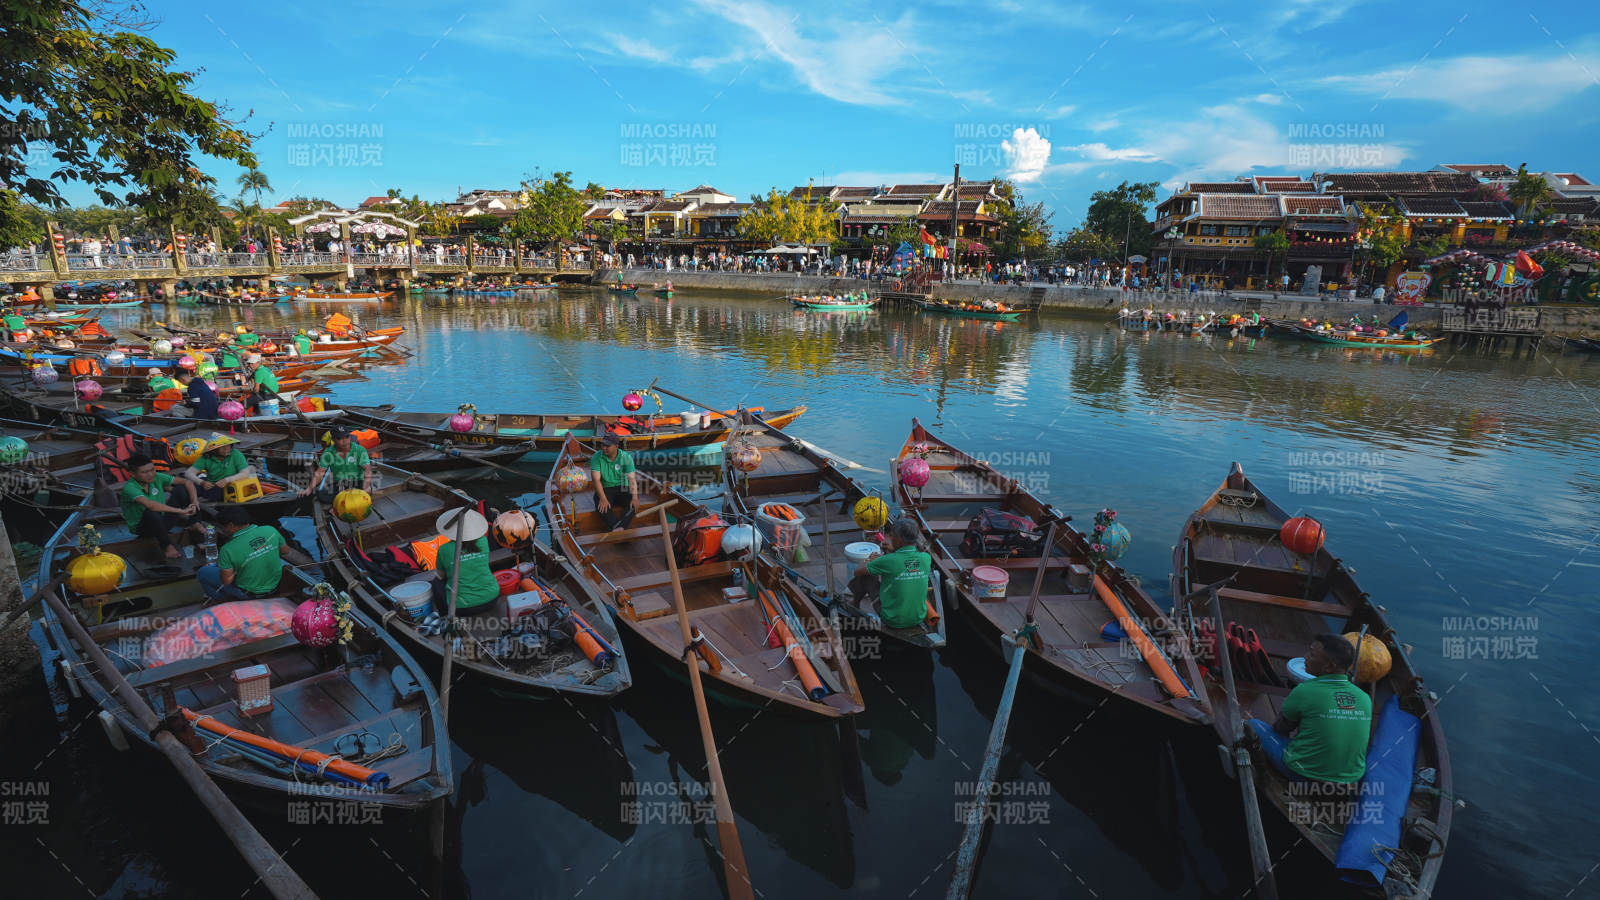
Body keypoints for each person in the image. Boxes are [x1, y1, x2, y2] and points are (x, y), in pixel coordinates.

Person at [1247, 634, 1372, 784]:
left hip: (1304, 774)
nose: (1305, 657)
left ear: (1330, 666)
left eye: (1312, 655)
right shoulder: (1365, 698)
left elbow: (1280, 729)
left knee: (1254, 725)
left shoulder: (1305, 690)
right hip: (1350, 780)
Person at [852, 518, 931, 629]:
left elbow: (857, 571)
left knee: (865, 575)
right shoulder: (926, 558)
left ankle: (854, 606)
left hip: (892, 620)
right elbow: (903, 562)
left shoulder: (888, 560)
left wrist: (870, 559)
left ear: (898, 539)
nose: (890, 538)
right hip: (918, 617)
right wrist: (892, 551)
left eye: (892, 536)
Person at [118, 453, 200, 559]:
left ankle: (195, 522)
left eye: (152, 470)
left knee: (181, 489)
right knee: (151, 512)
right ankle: (167, 547)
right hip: (145, 528)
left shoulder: (157, 477)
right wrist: (180, 511)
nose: (150, 474)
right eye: (144, 472)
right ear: (132, 474)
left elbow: (187, 482)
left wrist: (194, 502)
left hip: (163, 521)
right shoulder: (130, 488)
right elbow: (150, 505)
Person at [197, 506, 287, 603]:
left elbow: (226, 581)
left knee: (203, 572)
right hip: (275, 586)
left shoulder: (227, 549)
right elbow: (285, 551)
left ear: (231, 526)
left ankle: (223, 602)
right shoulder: (270, 529)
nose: (222, 530)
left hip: (250, 594)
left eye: (222, 527)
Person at [432, 507, 500, 614]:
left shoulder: (444, 549)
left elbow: (440, 575)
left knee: (436, 582)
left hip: (461, 607)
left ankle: (443, 615)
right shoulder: (483, 541)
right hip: (492, 598)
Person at [300, 427, 372, 499]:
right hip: (341, 482)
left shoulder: (360, 450)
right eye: (339, 438)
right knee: (322, 495)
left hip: (358, 481)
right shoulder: (328, 452)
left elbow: (367, 469)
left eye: (347, 437)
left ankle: (346, 498)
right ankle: (345, 498)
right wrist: (309, 489)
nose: (344, 441)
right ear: (333, 439)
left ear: (350, 437)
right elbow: (320, 472)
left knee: (366, 492)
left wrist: (366, 486)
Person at [185, 433, 254, 500]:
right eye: (222, 447)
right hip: (212, 485)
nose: (226, 449)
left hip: (232, 485)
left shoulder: (236, 454)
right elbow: (188, 473)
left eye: (228, 446)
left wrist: (227, 480)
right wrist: (201, 482)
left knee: (218, 492)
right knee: (186, 488)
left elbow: (245, 473)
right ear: (214, 449)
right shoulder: (206, 457)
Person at [589, 433, 636, 530]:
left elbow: (631, 479)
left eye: (607, 446)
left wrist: (635, 497)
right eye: (603, 445)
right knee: (600, 505)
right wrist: (603, 498)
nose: (604, 448)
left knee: (633, 504)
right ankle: (619, 527)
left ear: (616, 446)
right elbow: (596, 480)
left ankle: (618, 528)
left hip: (622, 487)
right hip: (605, 488)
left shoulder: (626, 457)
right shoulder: (596, 457)